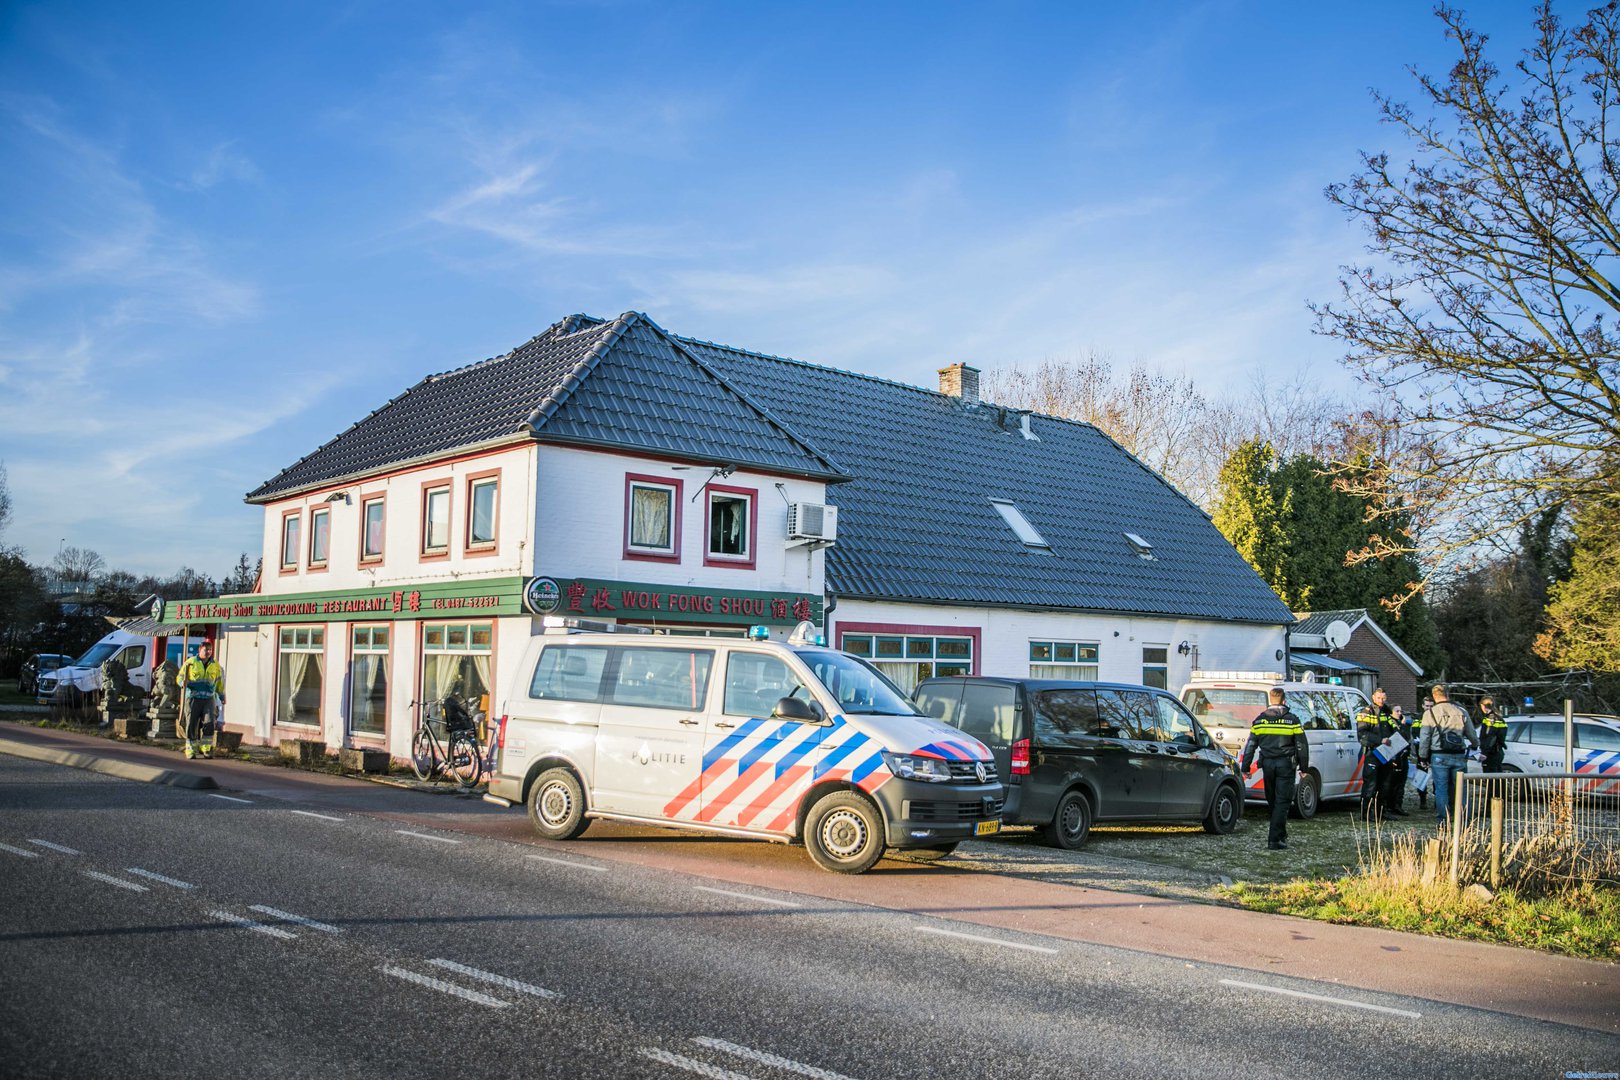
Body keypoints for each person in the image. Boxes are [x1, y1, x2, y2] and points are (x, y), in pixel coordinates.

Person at [1241, 687, 1310, 850]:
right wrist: (1304, 767)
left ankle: (1280, 834)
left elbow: (1250, 745)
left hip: (1268, 765)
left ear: (1270, 700)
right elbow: (1301, 745)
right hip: (1285, 765)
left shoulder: (1260, 721)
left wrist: (1245, 767)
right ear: (1284, 701)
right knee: (1282, 801)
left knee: (1273, 800)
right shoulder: (1292, 720)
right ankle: (1275, 839)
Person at [1417, 684, 1476, 830]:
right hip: (1458, 754)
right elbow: (1471, 733)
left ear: (1434, 696)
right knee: (1461, 789)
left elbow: (1425, 738)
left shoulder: (1430, 714)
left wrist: (1422, 757)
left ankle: (1443, 821)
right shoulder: (1461, 711)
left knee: (1441, 789)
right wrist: (1475, 744)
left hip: (1439, 755)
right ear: (1447, 694)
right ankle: (1464, 821)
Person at [1354, 688, 1400, 820]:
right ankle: (1366, 814)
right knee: (1370, 784)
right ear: (1373, 697)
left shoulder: (1387, 711)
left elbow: (1394, 728)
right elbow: (1362, 734)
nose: (1381, 700)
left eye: (1383, 698)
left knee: (1385, 784)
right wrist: (1380, 740)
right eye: (1379, 698)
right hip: (1372, 752)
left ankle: (1381, 812)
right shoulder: (1366, 712)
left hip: (1387, 753)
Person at [178, 640, 226, 759]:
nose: (208, 652)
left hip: (209, 698)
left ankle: (206, 749)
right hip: (193, 698)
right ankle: (190, 750)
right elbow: (180, 677)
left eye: (210, 650)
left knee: (210, 723)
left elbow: (219, 682)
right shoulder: (190, 663)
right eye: (206, 650)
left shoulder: (215, 665)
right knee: (191, 724)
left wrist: (222, 695)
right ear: (200, 650)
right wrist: (182, 683)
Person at [1385, 704, 1412, 816]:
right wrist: (1403, 726)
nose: (1400, 713)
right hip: (1394, 756)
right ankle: (1389, 806)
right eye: (1397, 711)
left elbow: (1407, 738)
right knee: (1392, 782)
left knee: (1401, 782)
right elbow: (1399, 736)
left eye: (1401, 711)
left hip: (1403, 756)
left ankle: (1398, 805)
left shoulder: (1402, 723)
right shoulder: (1390, 722)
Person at [1477, 695, 1507, 774]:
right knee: (1498, 777)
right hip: (1498, 752)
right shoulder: (1499, 717)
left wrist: (1484, 753)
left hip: (1491, 753)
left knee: (1490, 778)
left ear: (1483, 706)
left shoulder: (1490, 718)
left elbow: (1491, 736)